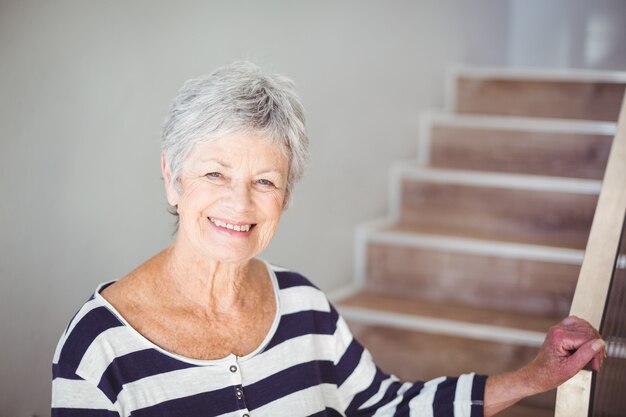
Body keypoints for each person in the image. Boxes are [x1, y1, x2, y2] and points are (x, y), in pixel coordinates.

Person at [51, 61, 605, 417]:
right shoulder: (99, 348)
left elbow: (387, 405)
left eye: (264, 181)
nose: (239, 204)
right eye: (215, 174)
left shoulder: (303, 305)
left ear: (284, 197)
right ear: (173, 178)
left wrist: (534, 377)